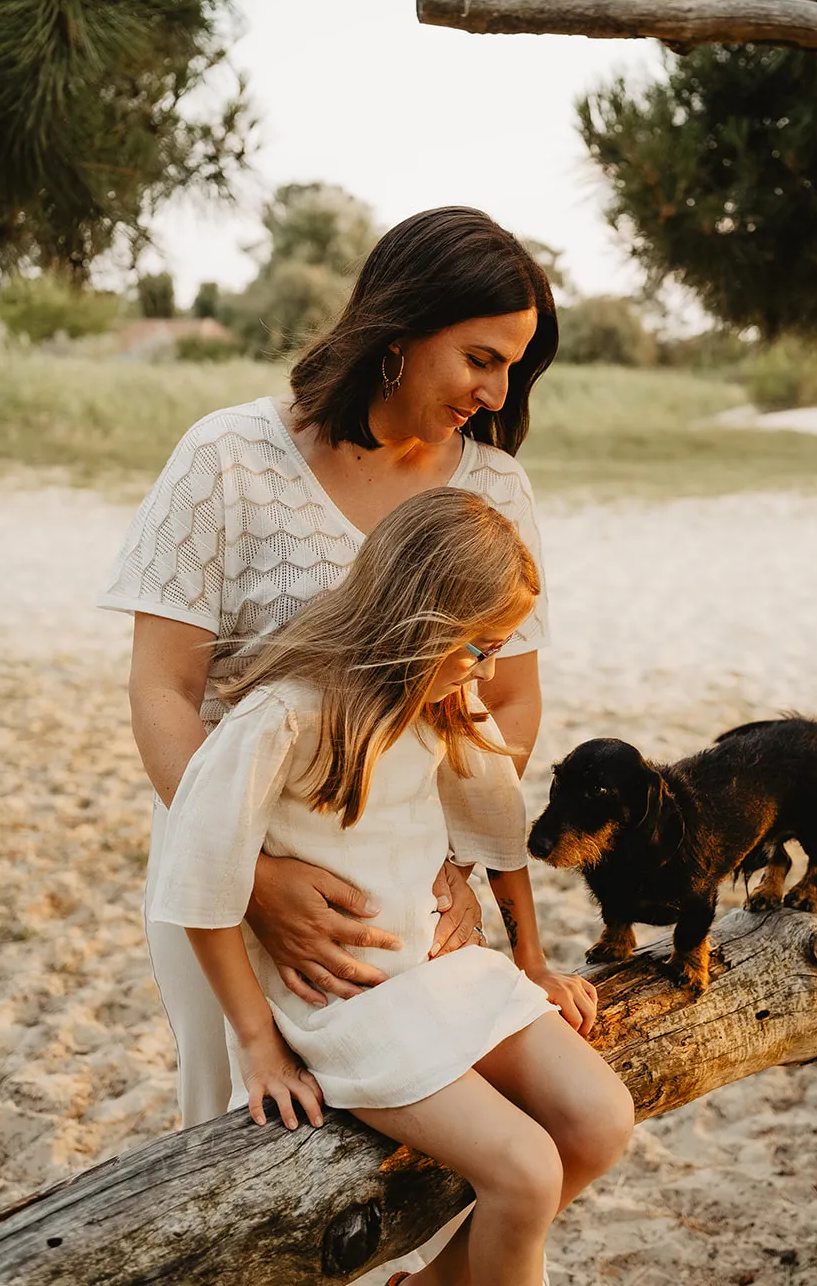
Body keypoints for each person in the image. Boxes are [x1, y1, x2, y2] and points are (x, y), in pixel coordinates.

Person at [99, 206, 560, 1130]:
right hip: (224, 872)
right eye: (481, 358)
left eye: (515, 365)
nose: (500, 394)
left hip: (405, 881)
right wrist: (254, 882)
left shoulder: (493, 486)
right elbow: (163, 692)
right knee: (245, 1132)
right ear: (399, 332)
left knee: (445, 1150)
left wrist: (454, 866)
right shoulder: (229, 460)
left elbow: (506, 698)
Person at [150, 490, 634, 1286]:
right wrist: (260, 1046)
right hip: (349, 1000)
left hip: (441, 969)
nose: (484, 667)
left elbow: (497, 821)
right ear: (423, 623)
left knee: (600, 1121)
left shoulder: (443, 696)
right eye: (477, 646)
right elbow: (199, 881)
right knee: (525, 1170)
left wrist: (532, 959)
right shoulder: (286, 713)